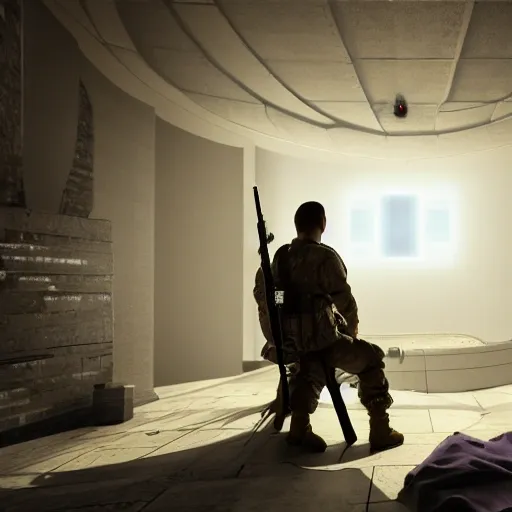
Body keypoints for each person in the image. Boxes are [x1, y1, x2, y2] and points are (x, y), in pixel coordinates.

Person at [253, 201, 404, 453]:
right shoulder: (324, 257)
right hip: (324, 341)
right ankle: (380, 428)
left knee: (308, 368)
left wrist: (286, 325)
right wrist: (350, 332)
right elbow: (344, 302)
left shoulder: (279, 258)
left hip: (291, 345)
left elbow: (272, 298)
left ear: (297, 225)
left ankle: (299, 428)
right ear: (323, 223)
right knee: (372, 359)